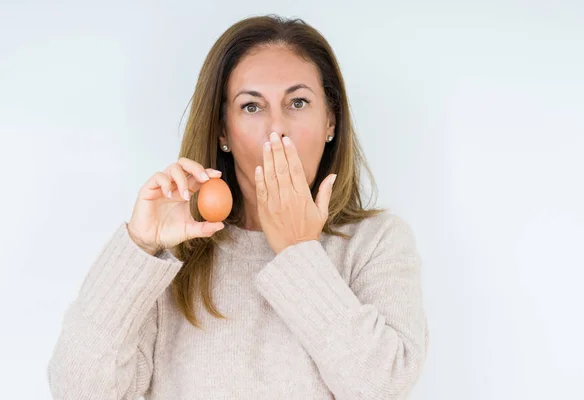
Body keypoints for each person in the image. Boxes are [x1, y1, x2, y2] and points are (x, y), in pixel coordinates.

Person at [47, 14, 429, 400]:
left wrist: (299, 253)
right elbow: (79, 391)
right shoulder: (174, 254)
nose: (276, 129)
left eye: (298, 102)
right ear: (222, 129)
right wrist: (139, 248)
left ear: (331, 120)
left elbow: (383, 386)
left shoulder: (376, 242)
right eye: (251, 107)